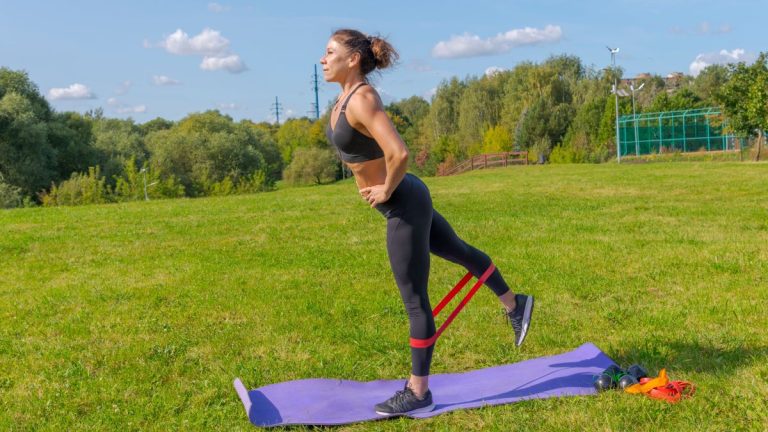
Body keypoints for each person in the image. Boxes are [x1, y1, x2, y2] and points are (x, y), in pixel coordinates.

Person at [320, 29, 535, 416]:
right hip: (407, 200)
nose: (323, 59)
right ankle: (515, 303)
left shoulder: (362, 97)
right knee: (458, 251)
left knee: (415, 301)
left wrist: (384, 189)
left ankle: (419, 392)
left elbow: (398, 152)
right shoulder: (342, 100)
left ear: (352, 59)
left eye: (330, 52)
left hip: (403, 203)